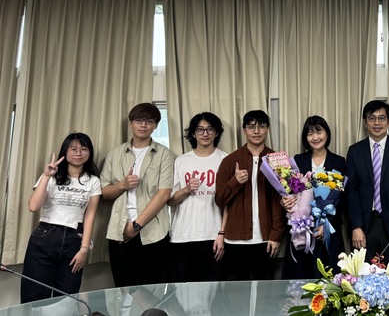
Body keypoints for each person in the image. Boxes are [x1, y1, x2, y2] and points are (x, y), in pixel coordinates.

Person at [20, 133, 101, 302]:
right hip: (45, 236)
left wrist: (84, 249)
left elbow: (90, 216)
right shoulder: (50, 176)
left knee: (66, 299)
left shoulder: (92, 181)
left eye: (83, 148)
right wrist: (47, 176)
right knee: (34, 297)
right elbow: (33, 206)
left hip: (74, 239)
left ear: (89, 152)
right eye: (73, 149)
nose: (78, 152)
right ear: (65, 152)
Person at [100, 103, 174, 287]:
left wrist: (137, 225)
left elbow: (164, 194)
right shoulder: (115, 154)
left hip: (153, 233)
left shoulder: (164, 154)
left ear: (156, 125)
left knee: (151, 290)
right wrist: (123, 185)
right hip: (119, 231)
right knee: (123, 289)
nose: (143, 125)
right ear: (131, 123)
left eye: (149, 121)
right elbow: (103, 192)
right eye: (139, 120)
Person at [215, 110, 285, 280]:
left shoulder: (278, 160)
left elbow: (282, 201)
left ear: (267, 129)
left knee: (266, 293)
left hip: (266, 240)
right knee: (238, 294)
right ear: (244, 130)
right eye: (251, 126)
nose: (256, 131)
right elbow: (219, 200)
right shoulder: (230, 160)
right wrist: (235, 181)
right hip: (236, 241)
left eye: (261, 126)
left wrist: (276, 235)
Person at [346, 100, 389, 264]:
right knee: (363, 279)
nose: (377, 123)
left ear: (388, 121)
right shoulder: (355, 151)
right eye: (372, 118)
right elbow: (351, 191)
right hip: (364, 226)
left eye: (382, 118)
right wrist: (356, 226)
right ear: (365, 122)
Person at [281, 115, 346, 279]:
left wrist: (327, 225)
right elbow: (290, 193)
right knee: (300, 283)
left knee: (329, 282)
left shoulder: (338, 162)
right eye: (310, 134)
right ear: (305, 137)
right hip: (301, 231)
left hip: (328, 232)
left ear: (327, 134)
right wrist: (285, 202)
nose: (315, 137)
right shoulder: (297, 161)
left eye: (319, 132)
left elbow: (340, 201)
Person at [168, 112, 228, 282]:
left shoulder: (225, 159)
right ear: (193, 133)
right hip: (182, 236)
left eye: (210, 129)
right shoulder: (181, 161)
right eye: (200, 129)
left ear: (216, 132)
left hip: (213, 236)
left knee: (213, 293)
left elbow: (230, 203)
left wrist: (222, 233)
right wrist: (186, 189)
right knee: (182, 291)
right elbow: (171, 201)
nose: (205, 133)